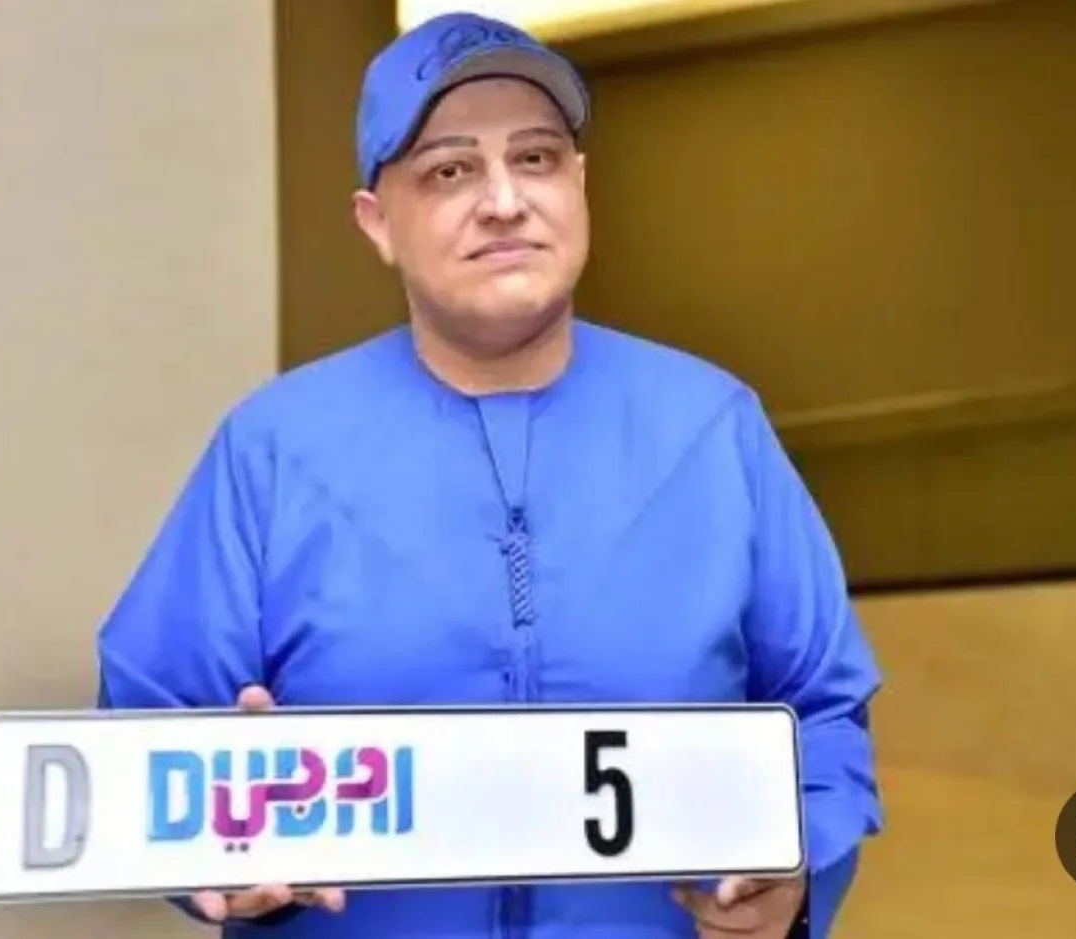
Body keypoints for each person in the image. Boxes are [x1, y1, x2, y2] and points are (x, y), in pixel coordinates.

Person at [95, 9, 883, 939]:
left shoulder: (712, 428)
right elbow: (151, 730)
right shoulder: (272, 448)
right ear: (377, 222)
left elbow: (824, 712)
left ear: (580, 185)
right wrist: (214, 843)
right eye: (450, 170)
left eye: (536, 158)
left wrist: (796, 870)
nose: (504, 201)